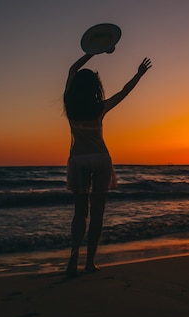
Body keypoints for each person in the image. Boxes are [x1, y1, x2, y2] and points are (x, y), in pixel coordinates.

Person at [63, 53, 152, 276]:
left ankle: (73, 258)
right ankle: (90, 262)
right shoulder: (99, 107)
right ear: (95, 86)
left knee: (79, 213)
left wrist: (92, 51)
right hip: (101, 159)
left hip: (78, 161)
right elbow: (124, 91)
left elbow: (72, 70)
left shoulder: (70, 106)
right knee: (97, 213)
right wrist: (138, 74)